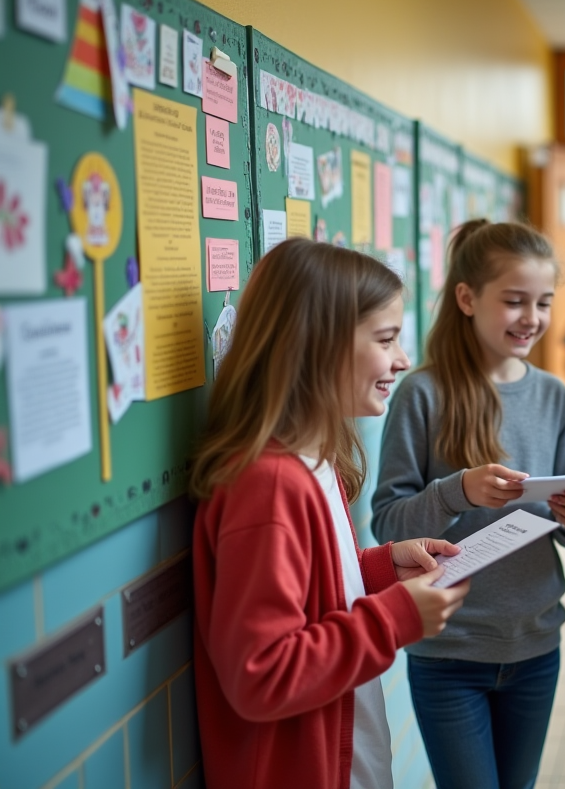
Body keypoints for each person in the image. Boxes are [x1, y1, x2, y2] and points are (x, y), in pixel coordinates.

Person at [190, 239, 471, 789]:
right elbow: (261, 674)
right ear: (317, 346)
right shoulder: (269, 484)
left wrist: (386, 569)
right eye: (386, 339)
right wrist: (395, 617)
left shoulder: (314, 461)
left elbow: (316, 593)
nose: (404, 360)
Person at [371, 220, 565, 789]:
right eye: (514, 301)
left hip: (536, 642)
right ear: (467, 298)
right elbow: (387, 524)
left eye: (543, 302)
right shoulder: (422, 393)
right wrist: (457, 492)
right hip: (449, 650)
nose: (532, 318)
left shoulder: (551, 395)